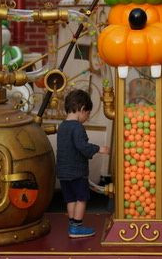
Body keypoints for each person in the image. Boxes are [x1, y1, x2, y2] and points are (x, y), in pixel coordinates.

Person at [56, 89, 110, 238]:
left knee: (70, 199)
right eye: (87, 113)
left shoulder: (62, 126)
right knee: (81, 198)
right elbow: (82, 146)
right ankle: (77, 227)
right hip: (76, 172)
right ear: (81, 109)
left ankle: (72, 224)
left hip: (63, 172)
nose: (87, 117)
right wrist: (99, 149)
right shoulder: (77, 127)